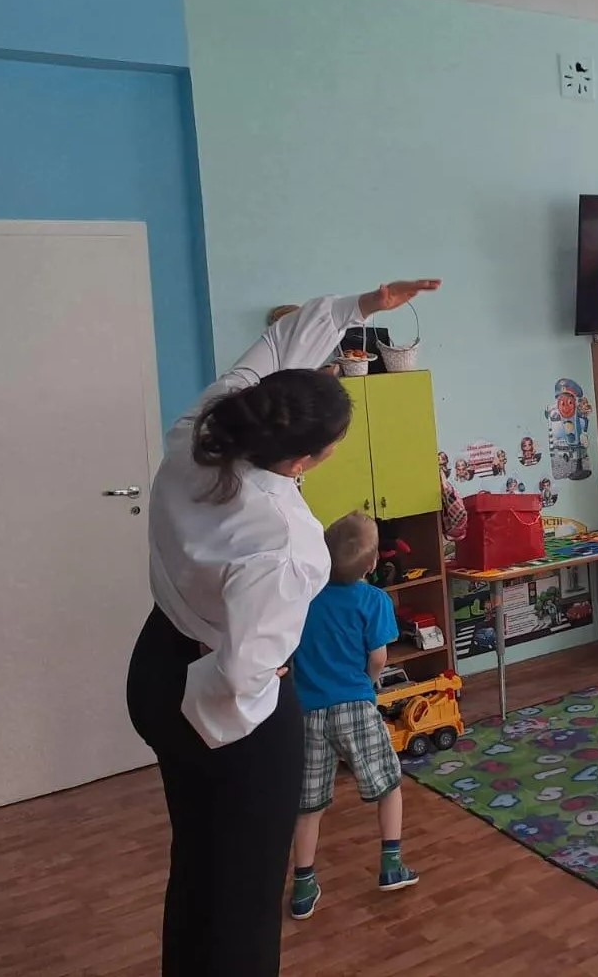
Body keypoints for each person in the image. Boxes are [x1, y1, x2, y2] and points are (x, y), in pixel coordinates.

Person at [127, 279, 440, 976]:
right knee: (241, 893)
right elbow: (242, 676)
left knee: (200, 865)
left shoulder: (200, 430)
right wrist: (241, 707)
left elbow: (273, 347)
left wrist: (364, 305)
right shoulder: (287, 540)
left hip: (157, 666)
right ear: (305, 461)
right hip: (219, 708)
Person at [287, 512, 418, 921]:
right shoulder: (374, 601)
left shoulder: (303, 598)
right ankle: (391, 865)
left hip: (308, 712)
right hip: (355, 705)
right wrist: (370, 681)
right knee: (388, 785)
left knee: (309, 804)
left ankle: (303, 885)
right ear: (373, 563)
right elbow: (378, 657)